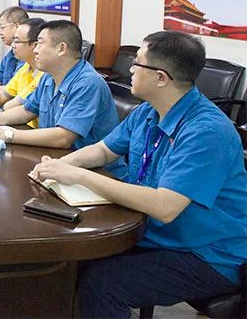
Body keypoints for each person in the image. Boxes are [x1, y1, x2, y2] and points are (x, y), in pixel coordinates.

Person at [31, 31, 247, 318]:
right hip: (153, 233)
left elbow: (165, 206)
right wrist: (57, 166)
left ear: (161, 78)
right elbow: (104, 150)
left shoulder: (207, 132)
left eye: (138, 63)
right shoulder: (148, 111)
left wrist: (79, 176)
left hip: (208, 254)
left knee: (103, 285)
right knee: (69, 261)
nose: (130, 70)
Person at [0, 20, 122, 175]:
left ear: (61, 48)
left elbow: (63, 138)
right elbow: (27, 110)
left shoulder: (88, 83)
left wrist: (6, 135)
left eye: (40, 44)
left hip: (95, 172)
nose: (35, 50)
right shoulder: (49, 76)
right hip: (55, 161)